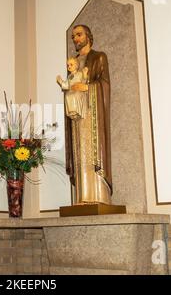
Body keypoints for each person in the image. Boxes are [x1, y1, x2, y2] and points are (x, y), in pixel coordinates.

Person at [57, 24, 112, 205]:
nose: (76, 39)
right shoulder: (72, 62)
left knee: (92, 153)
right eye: (73, 37)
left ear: (88, 36)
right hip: (77, 117)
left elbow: (104, 84)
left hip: (92, 115)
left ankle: (98, 197)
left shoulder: (98, 57)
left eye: (79, 35)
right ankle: (83, 197)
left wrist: (88, 87)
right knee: (80, 153)